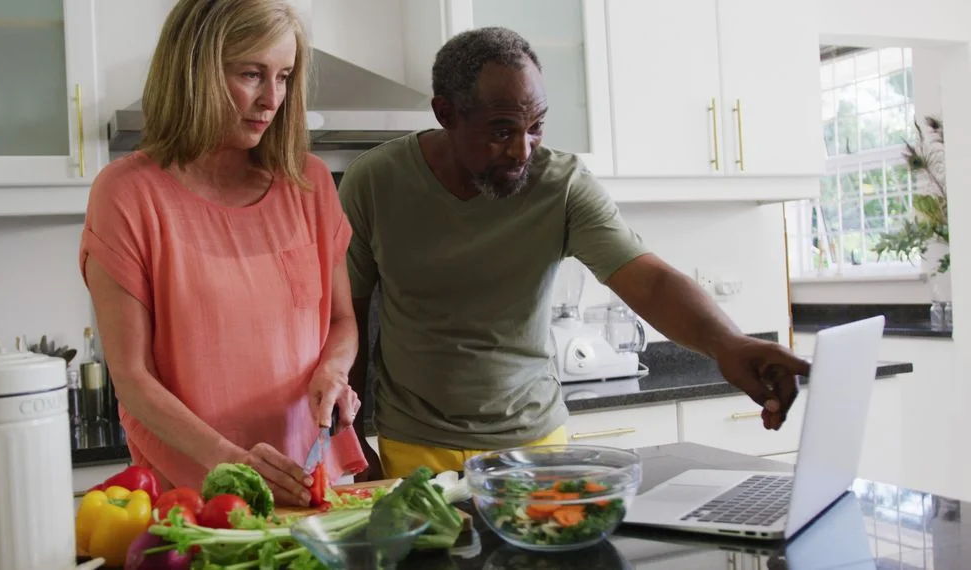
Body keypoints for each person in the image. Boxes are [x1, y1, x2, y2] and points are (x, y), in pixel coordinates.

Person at [339, 27, 811, 481]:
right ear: (447, 113)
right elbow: (347, 318)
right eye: (501, 131)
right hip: (413, 444)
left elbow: (647, 279)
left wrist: (729, 343)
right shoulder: (375, 182)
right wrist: (353, 438)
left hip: (534, 440)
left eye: (536, 126)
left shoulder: (561, 185)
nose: (523, 149)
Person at [79, 0, 361, 506]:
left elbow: (341, 321)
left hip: (310, 476)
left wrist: (333, 373)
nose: (271, 99)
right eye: (252, 74)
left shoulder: (310, 183)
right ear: (195, 71)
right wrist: (232, 461)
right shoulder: (127, 195)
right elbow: (132, 377)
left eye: (285, 77)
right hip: (194, 494)